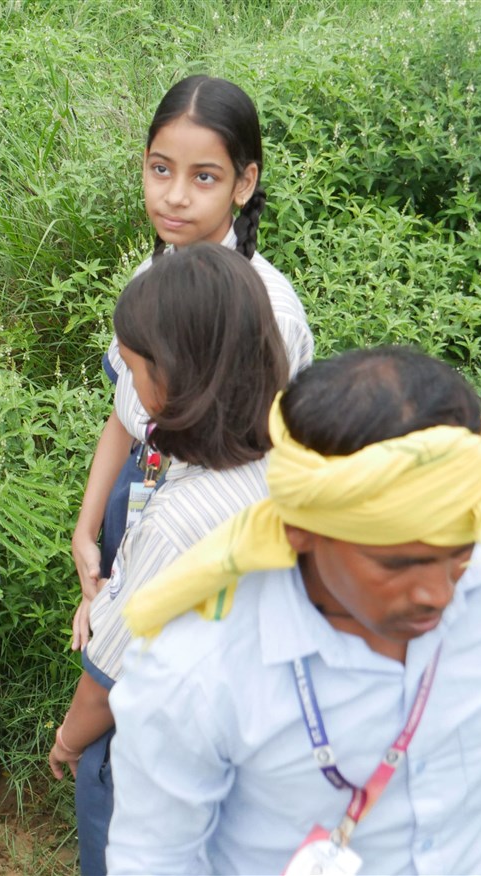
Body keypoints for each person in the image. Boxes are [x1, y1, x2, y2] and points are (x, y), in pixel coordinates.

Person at [106, 347, 481, 875]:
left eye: (461, 553)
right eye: (397, 564)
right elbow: (156, 860)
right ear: (300, 528)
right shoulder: (193, 671)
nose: (437, 594)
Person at [47, 244, 288, 875]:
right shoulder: (288, 461)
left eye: (133, 370)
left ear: (176, 380)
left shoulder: (180, 520)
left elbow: (108, 679)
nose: (127, 386)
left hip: (162, 742)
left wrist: (69, 740)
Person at [70, 75, 315, 645]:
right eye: (161, 169)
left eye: (204, 176)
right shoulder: (153, 273)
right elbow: (125, 416)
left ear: (244, 182)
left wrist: (131, 586)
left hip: (206, 534)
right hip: (137, 497)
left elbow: (254, 481)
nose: (175, 195)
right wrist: (87, 532)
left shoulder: (269, 315)